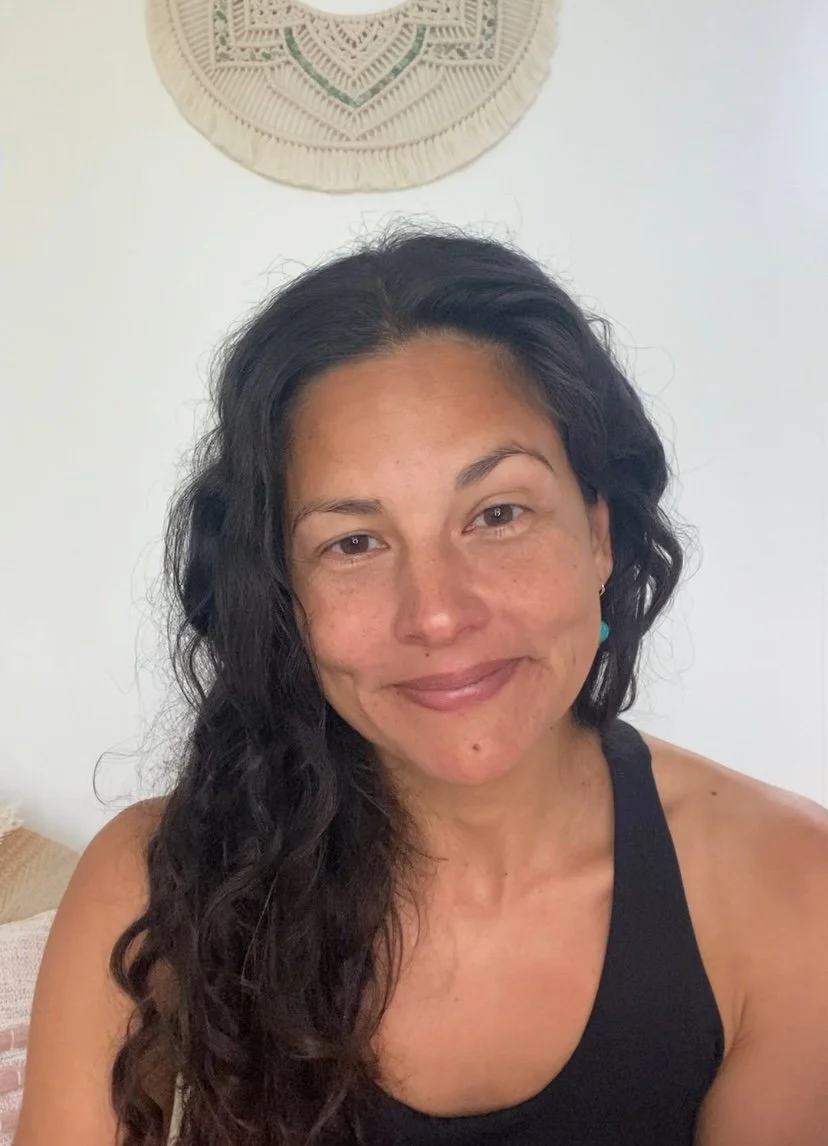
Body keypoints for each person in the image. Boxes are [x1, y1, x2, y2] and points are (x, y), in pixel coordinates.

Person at [14, 227, 828, 1146]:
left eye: (498, 513)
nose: (437, 614)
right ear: (283, 593)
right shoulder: (148, 884)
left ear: (599, 536)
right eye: (353, 542)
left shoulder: (793, 890)